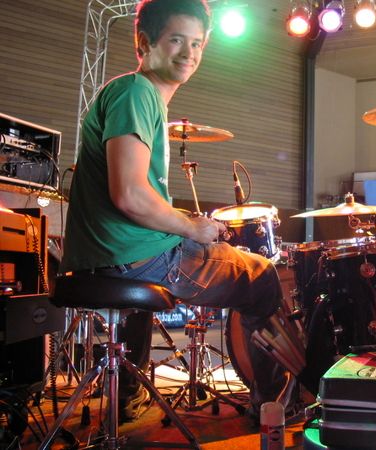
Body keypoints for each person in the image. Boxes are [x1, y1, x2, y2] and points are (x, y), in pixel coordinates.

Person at [60, 0, 288, 422]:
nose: (189, 53)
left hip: (109, 257)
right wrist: (191, 227)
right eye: (176, 40)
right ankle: (274, 407)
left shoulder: (137, 95)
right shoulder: (136, 92)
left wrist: (185, 225)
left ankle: (128, 394)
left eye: (197, 43)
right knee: (261, 277)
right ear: (144, 43)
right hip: (130, 256)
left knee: (156, 281)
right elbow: (129, 195)